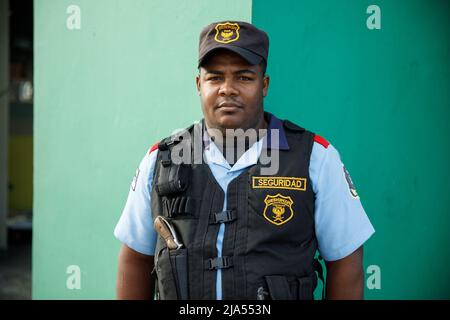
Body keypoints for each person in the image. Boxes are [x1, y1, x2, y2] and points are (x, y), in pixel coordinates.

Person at [114, 21, 375, 300]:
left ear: (264, 85)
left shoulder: (315, 158)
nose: (228, 89)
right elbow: (135, 259)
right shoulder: (162, 160)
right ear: (199, 84)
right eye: (215, 77)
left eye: (244, 77)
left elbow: (345, 262)